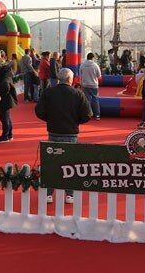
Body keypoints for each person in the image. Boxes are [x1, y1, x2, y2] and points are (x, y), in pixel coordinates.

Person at [35, 68, 92, 204]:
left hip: (53, 132)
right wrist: (75, 121)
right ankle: (70, 194)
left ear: (59, 78)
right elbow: (88, 114)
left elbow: (39, 110)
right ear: (70, 79)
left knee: (51, 163)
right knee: (70, 164)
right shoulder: (78, 94)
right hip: (71, 133)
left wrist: (50, 119)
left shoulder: (48, 92)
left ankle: (49, 193)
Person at [0, 59, 18, 143]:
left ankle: (5, 136)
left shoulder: (3, 77)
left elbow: (6, 87)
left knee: (4, 118)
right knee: (7, 117)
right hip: (8, 99)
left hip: (5, 99)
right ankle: (9, 134)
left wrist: (0, 92)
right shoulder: (6, 73)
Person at [80, 52, 102, 120]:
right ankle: (97, 115)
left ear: (87, 57)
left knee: (86, 100)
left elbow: (80, 74)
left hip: (85, 84)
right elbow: (99, 75)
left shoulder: (82, 65)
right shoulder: (95, 65)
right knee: (95, 99)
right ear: (93, 58)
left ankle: (87, 114)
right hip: (94, 85)